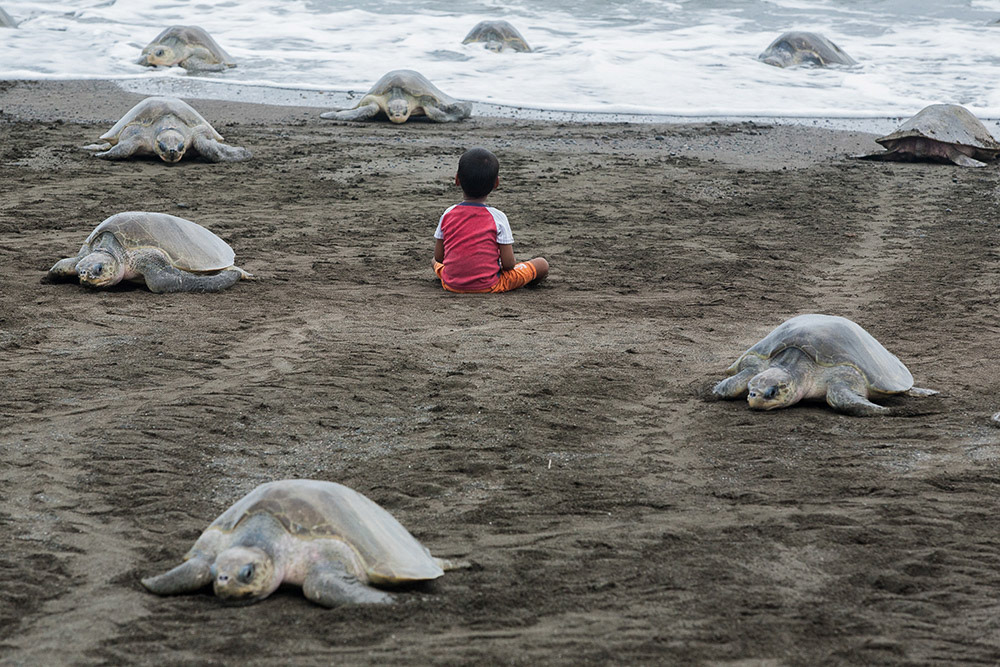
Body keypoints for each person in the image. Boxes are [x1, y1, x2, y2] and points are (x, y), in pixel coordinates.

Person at [432, 147, 549, 293]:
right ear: (496, 183)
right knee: (541, 264)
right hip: (489, 284)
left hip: (451, 284)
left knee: (434, 263)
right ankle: (526, 283)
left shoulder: (448, 214)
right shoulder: (498, 217)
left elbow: (439, 257)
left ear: (457, 179)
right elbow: (508, 264)